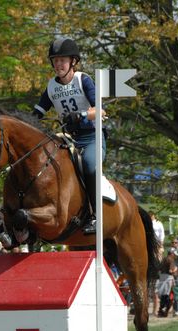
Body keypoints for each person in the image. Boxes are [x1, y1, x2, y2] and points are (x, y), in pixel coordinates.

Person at [33, 37, 105, 235]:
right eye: (55, 61)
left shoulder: (83, 80)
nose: (58, 64)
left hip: (92, 136)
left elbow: (101, 111)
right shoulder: (51, 87)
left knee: (90, 165)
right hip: (68, 137)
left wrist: (81, 115)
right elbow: (36, 114)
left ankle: (96, 215)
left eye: (62, 60)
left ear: (73, 61)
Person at [156, 248, 178, 317]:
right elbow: (171, 271)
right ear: (171, 253)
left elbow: (159, 269)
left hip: (162, 277)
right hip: (168, 278)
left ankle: (161, 311)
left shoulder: (164, 259)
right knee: (168, 295)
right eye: (174, 254)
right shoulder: (170, 260)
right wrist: (176, 269)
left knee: (164, 295)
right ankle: (164, 311)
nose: (175, 256)